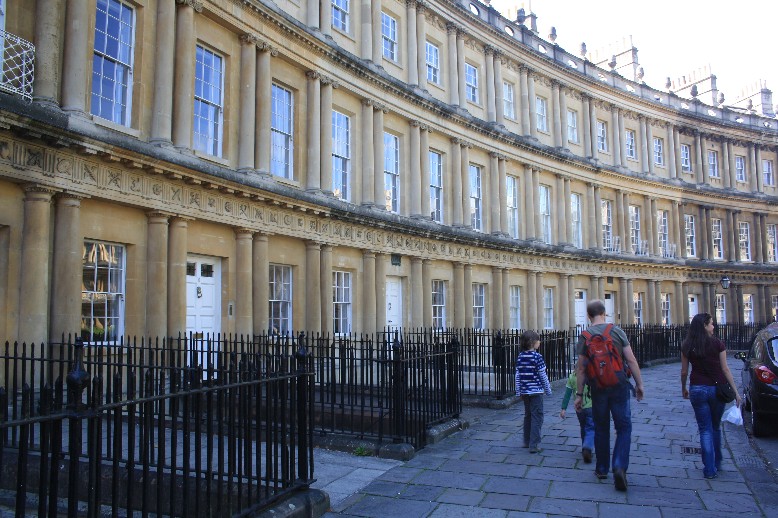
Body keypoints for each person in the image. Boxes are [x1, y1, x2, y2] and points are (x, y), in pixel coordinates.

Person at [574, 299, 644, 491]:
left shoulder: (585, 335)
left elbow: (581, 369)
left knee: (601, 427)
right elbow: (631, 359)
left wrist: (579, 395)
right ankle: (620, 466)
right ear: (604, 313)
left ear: (589, 316)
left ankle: (602, 468)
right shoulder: (616, 331)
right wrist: (639, 384)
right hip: (619, 383)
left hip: (597, 386)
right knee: (623, 427)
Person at [680, 313, 742, 479]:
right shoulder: (717, 344)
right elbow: (725, 369)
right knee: (714, 427)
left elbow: (684, 371)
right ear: (705, 326)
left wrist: (683, 388)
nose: (713, 327)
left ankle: (709, 469)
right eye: (711, 324)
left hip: (697, 389)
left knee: (704, 429)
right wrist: (736, 391)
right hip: (716, 389)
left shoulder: (687, 345)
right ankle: (717, 462)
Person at [515, 330, 552, 453]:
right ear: (532, 342)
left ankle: (526, 441)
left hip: (525, 392)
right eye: (538, 340)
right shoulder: (537, 357)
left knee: (528, 415)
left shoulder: (520, 356)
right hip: (536, 391)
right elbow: (543, 375)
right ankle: (534, 444)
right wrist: (548, 390)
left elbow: (518, 375)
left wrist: (518, 391)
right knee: (537, 417)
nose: (539, 342)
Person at [560, 371, 594, 463]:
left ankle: (584, 447)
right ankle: (587, 446)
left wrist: (563, 408)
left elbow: (567, 394)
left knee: (583, 427)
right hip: (592, 406)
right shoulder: (592, 374)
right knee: (591, 428)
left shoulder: (572, 377)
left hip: (579, 408)